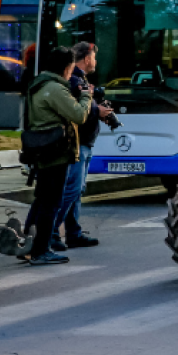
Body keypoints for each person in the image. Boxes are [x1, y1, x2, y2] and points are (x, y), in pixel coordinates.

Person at [22, 47, 93, 266]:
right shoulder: (54, 89)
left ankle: (34, 245)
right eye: (71, 68)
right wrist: (85, 96)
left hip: (42, 149)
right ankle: (41, 249)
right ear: (65, 67)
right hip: (56, 152)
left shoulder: (39, 85)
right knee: (51, 202)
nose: (71, 73)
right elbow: (79, 115)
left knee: (44, 200)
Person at [52, 42, 114, 251]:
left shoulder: (80, 79)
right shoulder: (75, 80)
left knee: (75, 191)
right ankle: (51, 231)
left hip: (84, 142)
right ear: (87, 59)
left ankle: (73, 233)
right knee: (72, 189)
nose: (95, 62)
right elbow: (77, 111)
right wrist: (98, 112)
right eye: (94, 58)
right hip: (78, 143)